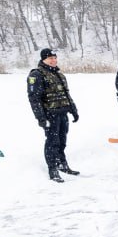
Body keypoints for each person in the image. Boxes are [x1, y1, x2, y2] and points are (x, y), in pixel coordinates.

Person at [27, 48, 80, 182]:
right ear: (43, 59)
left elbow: (66, 94)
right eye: (50, 58)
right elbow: (34, 99)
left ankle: (62, 163)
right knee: (52, 142)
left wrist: (73, 109)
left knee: (62, 140)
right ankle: (52, 169)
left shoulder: (58, 74)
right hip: (50, 115)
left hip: (62, 113)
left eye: (55, 57)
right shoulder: (37, 74)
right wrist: (41, 118)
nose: (53, 60)